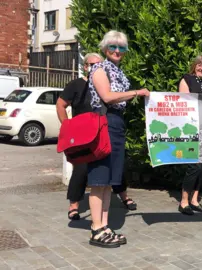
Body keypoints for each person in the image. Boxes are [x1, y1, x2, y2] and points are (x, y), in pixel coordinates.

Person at [56, 53, 138, 222]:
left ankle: (123, 196)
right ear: (85, 67)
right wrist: (68, 126)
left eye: (98, 64)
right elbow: (61, 105)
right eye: (91, 64)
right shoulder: (76, 85)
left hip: (103, 130)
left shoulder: (107, 82)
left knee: (114, 167)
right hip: (84, 133)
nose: (95, 67)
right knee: (81, 169)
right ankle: (74, 206)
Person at [86, 30, 149, 248]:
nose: (117, 51)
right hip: (103, 123)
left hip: (116, 124)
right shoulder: (99, 68)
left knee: (109, 182)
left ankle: (103, 226)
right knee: (99, 179)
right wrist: (136, 93)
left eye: (122, 47)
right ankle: (96, 229)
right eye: (113, 46)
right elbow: (107, 97)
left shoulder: (119, 72)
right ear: (105, 48)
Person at [177, 54, 202, 215]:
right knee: (193, 165)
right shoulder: (186, 80)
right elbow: (184, 103)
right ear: (194, 66)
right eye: (199, 65)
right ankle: (184, 201)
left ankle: (194, 199)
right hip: (191, 128)